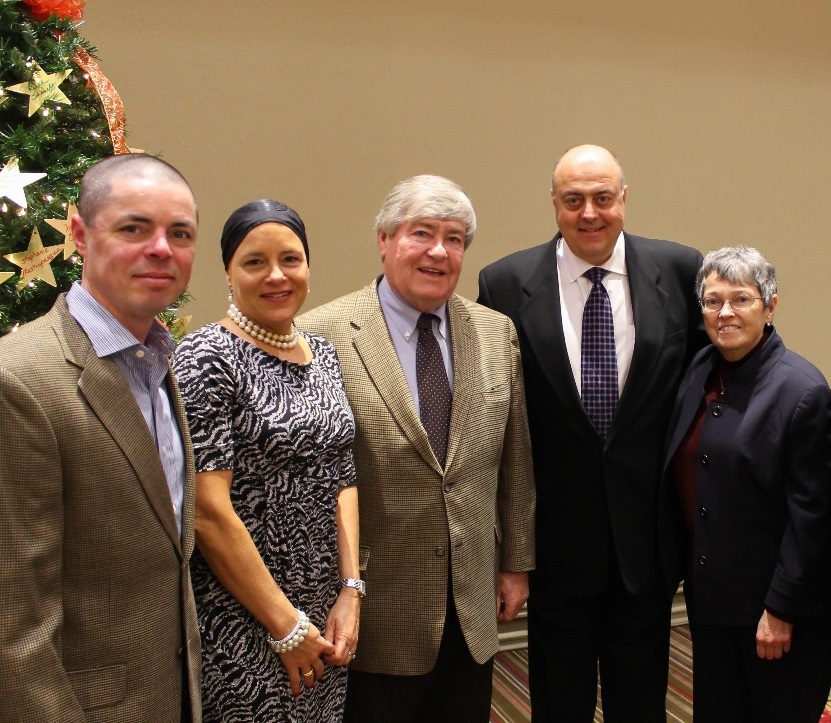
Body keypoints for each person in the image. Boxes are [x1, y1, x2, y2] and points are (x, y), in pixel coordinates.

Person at [477, 144, 708, 722]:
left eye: (603, 198)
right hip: (555, 545)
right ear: (553, 203)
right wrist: (509, 549)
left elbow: (707, 389)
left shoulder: (682, 271)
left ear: (624, 198)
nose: (589, 213)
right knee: (560, 702)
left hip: (647, 542)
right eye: (573, 199)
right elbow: (494, 419)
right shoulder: (505, 283)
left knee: (642, 700)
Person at [298, 174, 535, 723]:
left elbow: (516, 462)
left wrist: (516, 565)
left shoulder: (495, 333)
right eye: (421, 233)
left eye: (454, 239)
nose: (438, 252)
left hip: (472, 599)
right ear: (384, 240)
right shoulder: (321, 335)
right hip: (373, 607)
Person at [0, 153, 202, 722]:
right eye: (134, 228)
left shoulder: (156, 360)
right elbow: (14, 626)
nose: (161, 248)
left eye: (180, 233)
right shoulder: (19, 380)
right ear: (81, 234)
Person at [172, 200, 360, 722]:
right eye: (255, 261)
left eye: (290, 259)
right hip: (245, 618)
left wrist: (350, 592)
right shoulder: (206, 357)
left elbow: (343, 476)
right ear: (228, 272)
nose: (276, 275)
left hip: (324, 612)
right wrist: (285, 627)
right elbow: (207, 511)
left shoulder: (323, 354)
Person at [660, 246, 831, 722]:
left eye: (741, 299)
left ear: (770, 307)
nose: (726, 313)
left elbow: (813, 518)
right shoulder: (700, 369)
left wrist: (781, 609)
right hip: (712, 600)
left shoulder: (803, 391)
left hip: (775, 611)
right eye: (713, 301)